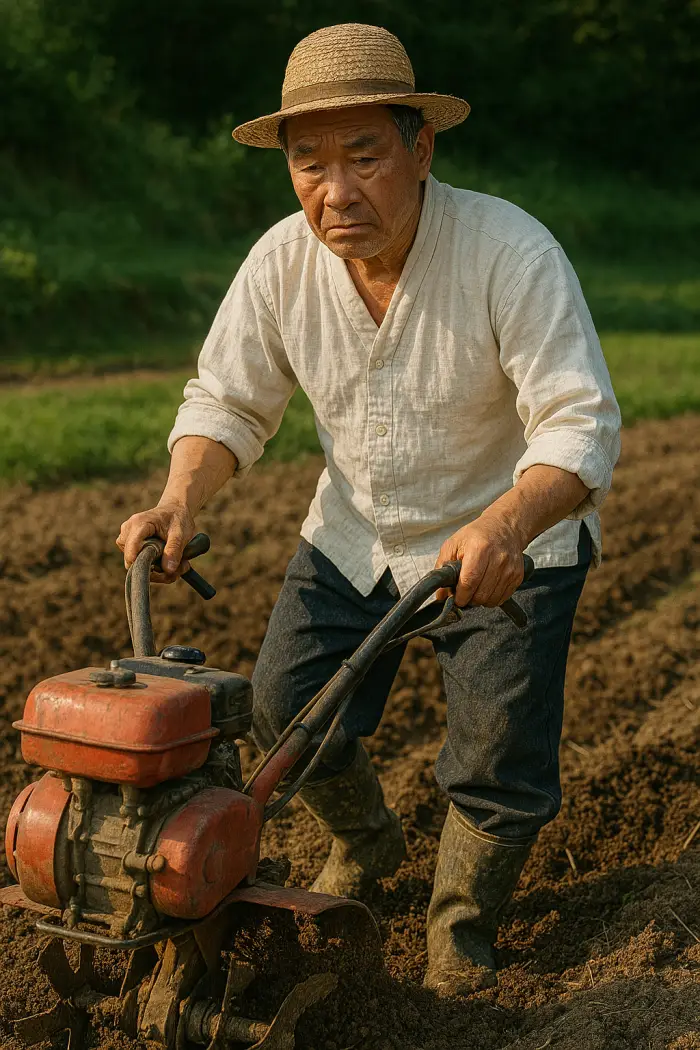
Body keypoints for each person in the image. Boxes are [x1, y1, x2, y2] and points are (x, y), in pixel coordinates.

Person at [117, 23, 621, 997]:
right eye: (309, 162)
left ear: (419, 147)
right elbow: (228, 399)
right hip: (357, 531)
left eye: (363, 155)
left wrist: (505, 526)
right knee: (281, 709)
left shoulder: (507, 250)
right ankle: (368, 842)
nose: (334, 191)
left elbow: (578, 423)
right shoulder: (279, 264)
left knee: (495, 757)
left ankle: (459, 931)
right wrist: (178, 498)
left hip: (507, 538)